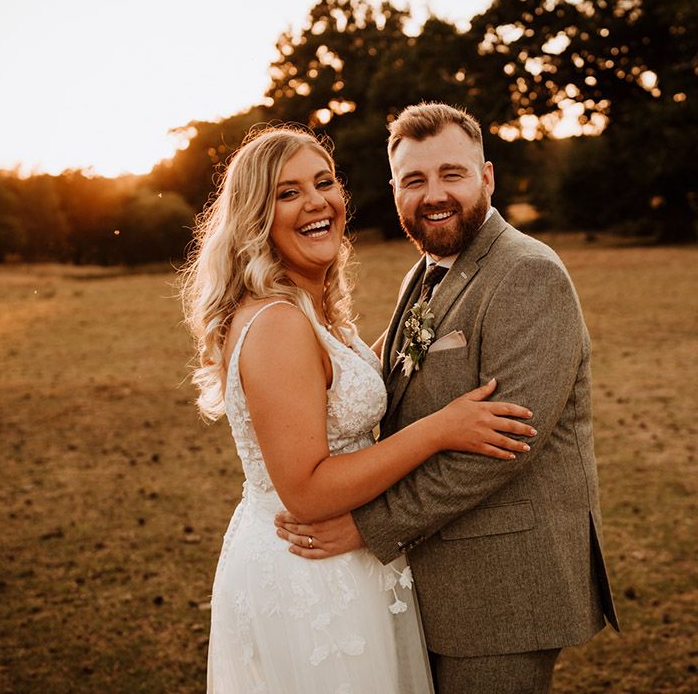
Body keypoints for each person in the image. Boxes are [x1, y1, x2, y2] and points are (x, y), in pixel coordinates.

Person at [181, 124, 539, 693]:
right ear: (256, 217)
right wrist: (440, 430)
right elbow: (307, 491)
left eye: (323, 182)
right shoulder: (277, 323)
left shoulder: (308, 309)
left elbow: (355, 378)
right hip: (310, 572)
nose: (316, 201)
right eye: (288, 192)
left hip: (347, 563)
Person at [275, 103, 620, 694]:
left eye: (451, 174)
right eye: (414, 180)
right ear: (394, 191)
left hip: (504, 588)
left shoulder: (528, 273)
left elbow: (504, 447)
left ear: (487, 178)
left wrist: (367, 526)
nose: (434, 195)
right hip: (439, 574)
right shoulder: (426, 269)